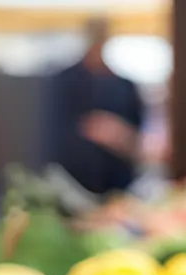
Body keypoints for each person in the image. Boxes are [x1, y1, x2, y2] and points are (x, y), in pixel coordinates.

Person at [48, 17, 145, 197]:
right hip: (73, 183)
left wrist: (119, 134)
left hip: (118, 183)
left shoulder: (124, 85)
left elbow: (137, 136)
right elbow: (51, 130)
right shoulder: (64, 81)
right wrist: (89, 128)